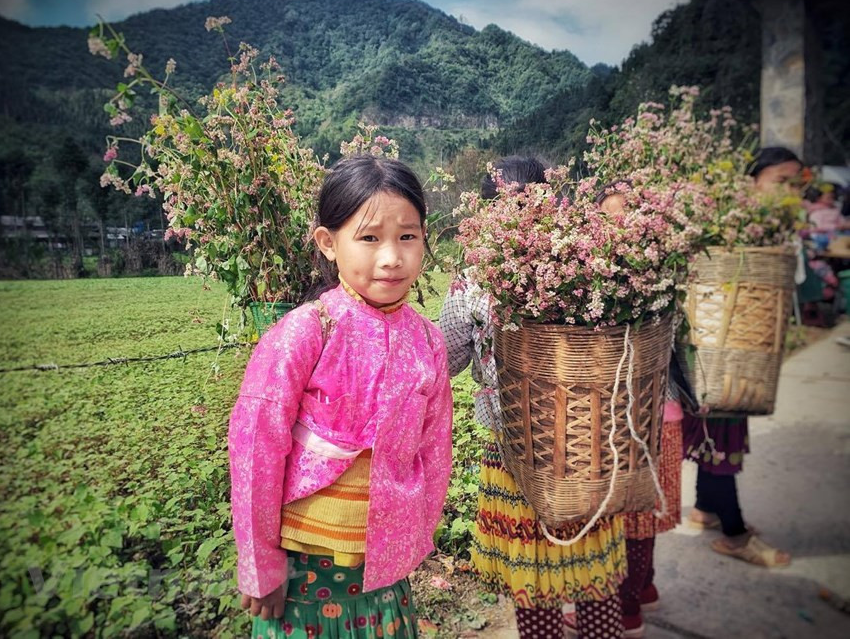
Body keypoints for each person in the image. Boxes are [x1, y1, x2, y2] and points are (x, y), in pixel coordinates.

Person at [228, 155, 454, 638]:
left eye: (407, 236)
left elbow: (435, 447)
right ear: (328, 243)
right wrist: (259, 564)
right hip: (304, 570)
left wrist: (418, 533)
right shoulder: (308, 331)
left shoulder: (428, 340)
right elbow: (255, 447)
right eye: (369, 238)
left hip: (384, 566)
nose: (391, 257)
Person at [440, 157, 628, 639]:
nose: (521, 221)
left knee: (552, 576)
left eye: (528, 208)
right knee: (571, 572)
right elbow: (450, 359)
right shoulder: (573, 269)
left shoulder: (484, 282)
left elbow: (450, 360)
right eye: (512, 211)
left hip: (546, 446)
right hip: (557, 443)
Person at [683, 147, 799, 568]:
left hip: (737, 346)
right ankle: (734, 535)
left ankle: (705, 509)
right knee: (720, 433)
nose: (789, 192)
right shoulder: (727, 224)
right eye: (781, 181)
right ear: (752, 181)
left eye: (795, 184)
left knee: (719, 427)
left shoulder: (767, 228)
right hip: (718, 347)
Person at [595, 184, 684, 638]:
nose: (621, 231)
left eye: (631, 220)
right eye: (609, 220)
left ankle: (628, 606)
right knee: (635, 512)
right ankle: (644, 587)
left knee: (634, 514)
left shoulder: (654, 280)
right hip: (635, 412)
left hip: (647, 413)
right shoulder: (600, 278)